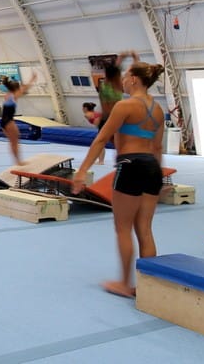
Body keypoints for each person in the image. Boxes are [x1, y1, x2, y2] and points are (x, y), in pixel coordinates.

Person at [72, 61, 166, 298]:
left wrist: (82, 171)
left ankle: (124, 283)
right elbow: (157, 147)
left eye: (125, 77)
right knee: (145, 229)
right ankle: (148, 287)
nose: (122, 81)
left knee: (123, 228)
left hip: (130, 166)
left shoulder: (125, 106)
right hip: (152, 168)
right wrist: (160, 177)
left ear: (134, 79)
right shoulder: (157, 110)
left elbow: (101, 139)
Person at [95, 50, 139, 163]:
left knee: (101, 141)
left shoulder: (104, 85)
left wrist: (121, 58)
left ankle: (101, 160)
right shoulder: (119, 86)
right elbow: (132, 72)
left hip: (107, 118)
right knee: (119, 143)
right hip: (116, 118)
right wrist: (134, 59)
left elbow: (114, 71)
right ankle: (123, 158)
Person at [0, 73, 37, 165]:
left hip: (3, 121)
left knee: (13, 142)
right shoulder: (15, 95)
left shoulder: (7, 94)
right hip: (9, 121)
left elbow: (21, 88)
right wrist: (32, 79)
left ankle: (17, 161)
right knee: (15, 142)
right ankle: (18, 162)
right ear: (16, 89)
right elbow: (26, 88)